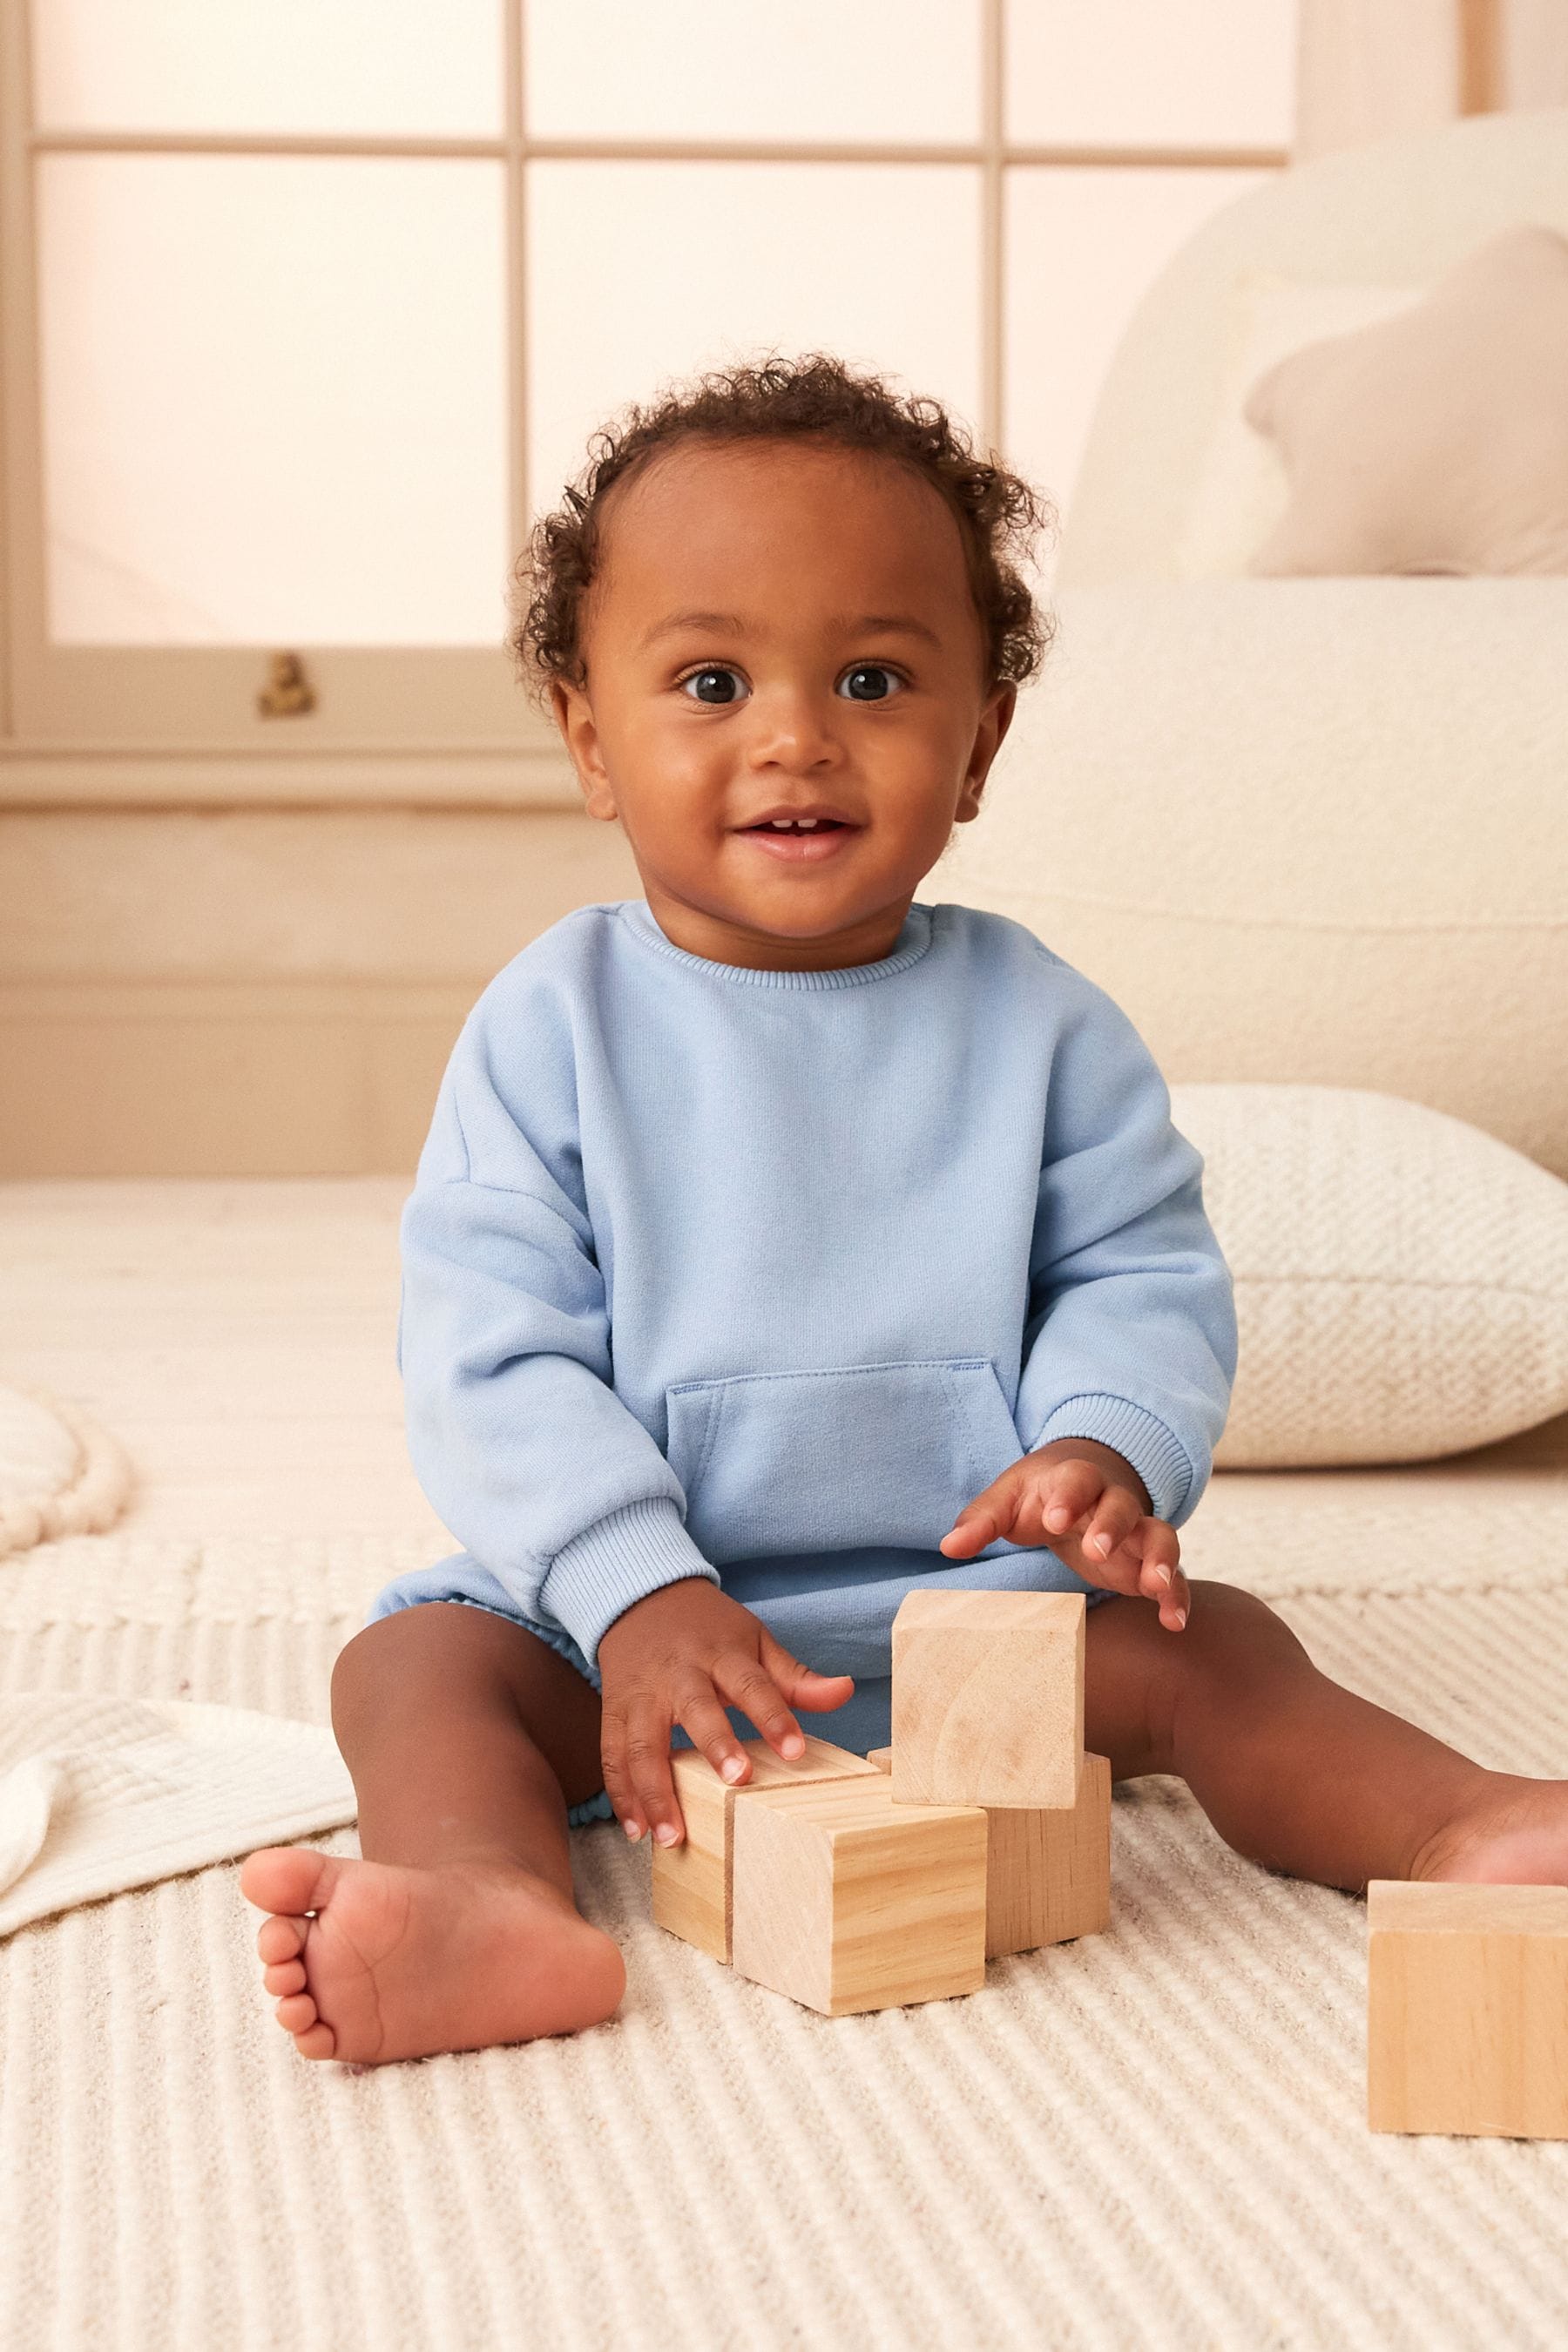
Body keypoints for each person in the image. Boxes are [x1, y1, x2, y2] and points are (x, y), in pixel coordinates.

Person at [240, 351, 1568, 2066]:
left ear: (981, 741)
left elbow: (1140, 1268)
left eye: (872, 676)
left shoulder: (1042, 1027)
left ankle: (1464, 1825)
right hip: (638, 1632)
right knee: (417, 1677)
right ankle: (494, 1908)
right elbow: (491, 1361)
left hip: (986, 1625)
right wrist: (634, 1591)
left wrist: (1101, 1452)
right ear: (590, 736)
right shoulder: (552, 1030)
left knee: (1222, 1653)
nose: (796, 735)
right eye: (710, 680)